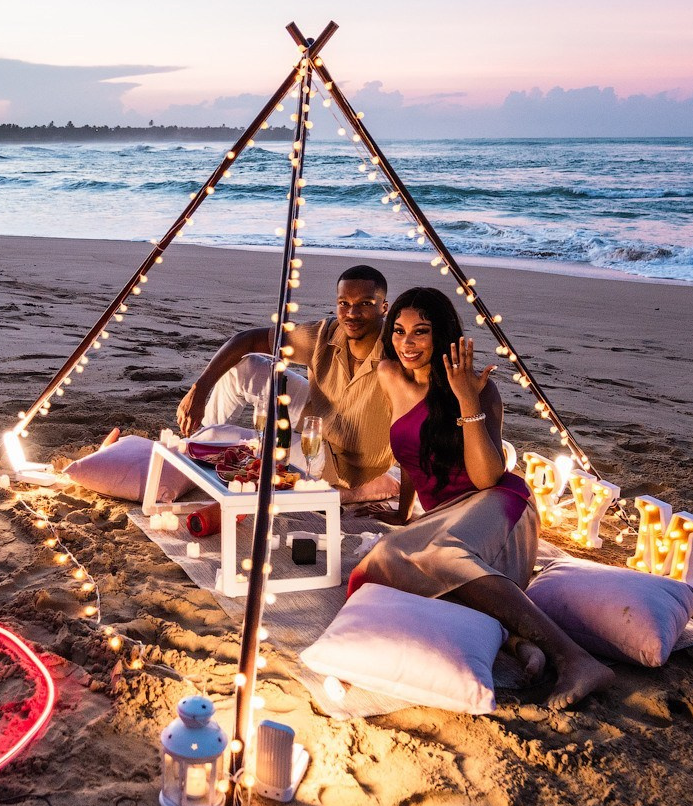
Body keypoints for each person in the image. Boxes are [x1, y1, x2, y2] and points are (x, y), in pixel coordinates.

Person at [348, 286, 614, 710]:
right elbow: (415, 456)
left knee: (439, 559)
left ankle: (576, 659)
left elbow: (488, 475)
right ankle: (516, 640)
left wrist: (466, 399)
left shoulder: (480, 391)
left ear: (443, 336)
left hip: (497, 503)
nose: (407, 343)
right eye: (399, 331)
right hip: (443, 516)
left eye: (421, 332)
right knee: (380, 568)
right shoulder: (389, 375)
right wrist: (404, 516)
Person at [176, 265, 396, 498]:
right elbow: (247, 340)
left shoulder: (397, 351)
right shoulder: (327, 333)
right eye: (344, 303)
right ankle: (200, 448)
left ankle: (358, 488)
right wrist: (198, 391)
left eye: (365, 304)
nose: (351, 313)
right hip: (320, 416)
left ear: (384, 308)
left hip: (343, 459)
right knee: (246, 366)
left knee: (232, 444)